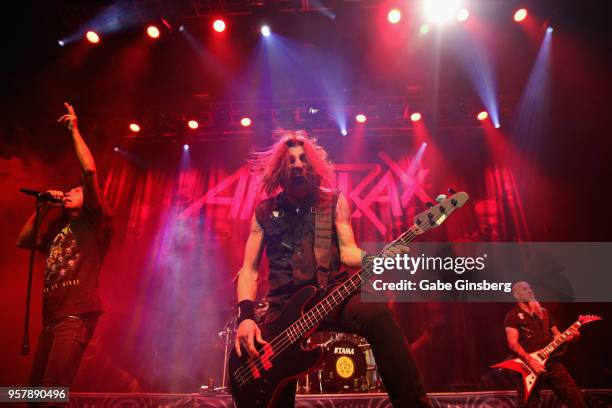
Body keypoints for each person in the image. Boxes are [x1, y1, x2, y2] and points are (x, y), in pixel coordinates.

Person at [233, 130, 430, 407]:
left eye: (303, 158)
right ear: (281, 167)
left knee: (377, 315)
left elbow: (348, 252)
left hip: (330, 296)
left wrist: (376, 258)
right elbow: (249, 269)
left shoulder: (333, 201)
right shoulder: (264, 212)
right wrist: (245, 317)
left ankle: (414, 404)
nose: (298, 164)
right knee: (273, 384)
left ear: (312, 164)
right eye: (291, 160)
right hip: (283, 307)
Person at [16, 102, 112, 391]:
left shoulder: (93, 221)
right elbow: (23, 241)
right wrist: (43, 208)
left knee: (52, 390)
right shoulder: (58, 227)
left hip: (75, 315)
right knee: (32, 394)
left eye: (76, 190)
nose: (70, 192)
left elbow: (90, 171)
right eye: (69, 190)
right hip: (51, 319)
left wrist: (73, 130)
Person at [504, 281, 586, 407]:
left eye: (530, 288)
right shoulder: (512, 316)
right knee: (528, 404)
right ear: (516, 295)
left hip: (551, 360)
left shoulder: (543, 313)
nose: (529, 290)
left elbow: (557, 336)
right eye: (524, 289)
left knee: (574, 397)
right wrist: (530, 360)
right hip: (528, 365)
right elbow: (512, 343)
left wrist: (571, 336)